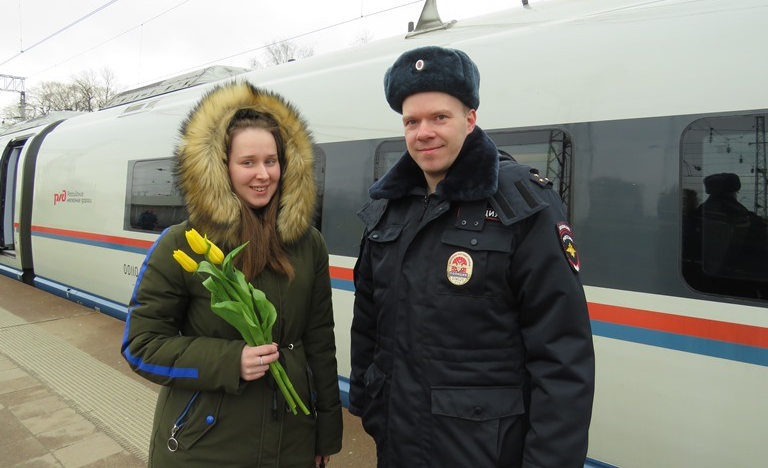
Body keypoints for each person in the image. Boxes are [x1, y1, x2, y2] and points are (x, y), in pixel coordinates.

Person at [349, 46, 595, 467]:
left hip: (484, 450)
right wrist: (369, 403)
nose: (423, 132)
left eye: (439, 117)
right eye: (412, 121)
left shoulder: (523, 204)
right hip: (400, 443)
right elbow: (369, 322)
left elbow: (562, 355)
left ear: (470, 119)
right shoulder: (389, 207)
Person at [122, 82, 342, 467]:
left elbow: (320, 344)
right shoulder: (182, 244)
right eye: (248, 162)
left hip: (292, 440)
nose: (263, 175)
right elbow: (141, 345)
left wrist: (325, 434)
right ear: (220, 168)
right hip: (206, 443)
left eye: (271, 161)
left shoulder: (309, 244)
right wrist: (230, 360)